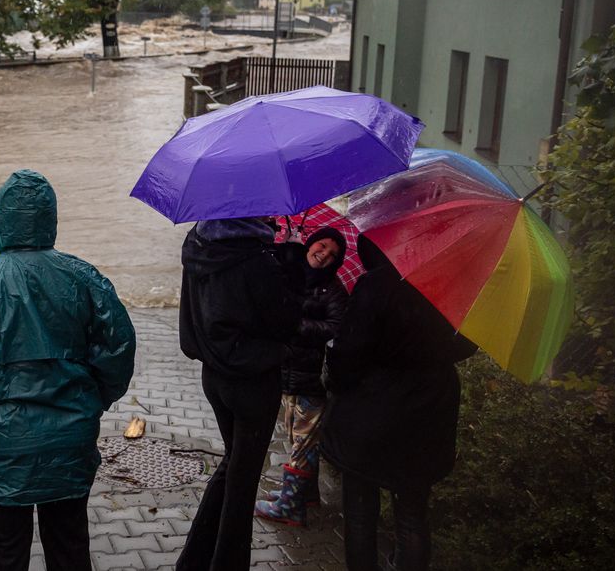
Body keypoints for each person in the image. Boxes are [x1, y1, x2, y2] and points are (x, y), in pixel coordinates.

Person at [0, 169, 136, 571]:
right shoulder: (84, 278)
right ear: (50, 221)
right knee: (70, 548)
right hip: (69, 442)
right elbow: (118, 350)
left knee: (3, 554)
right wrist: (92, 402)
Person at [319, 236, 477, 571]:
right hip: (429, 412)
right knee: (412, 514)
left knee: (361, 512)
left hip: (371, 412)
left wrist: (335, 381)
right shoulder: (453, 284)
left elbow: (348, 355)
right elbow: (467, 345)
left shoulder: (377, 284)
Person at [175, 216, 302, 571]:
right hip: (252, 381)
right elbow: (285, 321)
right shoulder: (257, 260)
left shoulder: (197, 246)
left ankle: (193, 560)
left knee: (233, 464)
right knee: (243, 482)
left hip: (214, 376)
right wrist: (291, 263)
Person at [255, 227, 349, 527]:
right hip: (288, 373)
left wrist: (298, 325)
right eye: (321, 246)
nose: (324, 255)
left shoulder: (333, 291)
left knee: (302, 443)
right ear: (309, 244)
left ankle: (291, 508)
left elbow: (336, 328)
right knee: (297, 437)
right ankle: (303, 495)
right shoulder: (292, 276)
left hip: (312, 379)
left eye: (332, 254)